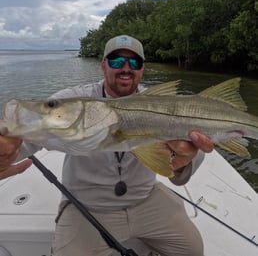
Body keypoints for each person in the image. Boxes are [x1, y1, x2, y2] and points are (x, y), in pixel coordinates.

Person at [0, 35, 214, 256]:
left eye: (134, 62)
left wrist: (182, 162)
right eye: (116, 61)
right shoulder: (73, 99)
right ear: (103, 65)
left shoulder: (163, 104)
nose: (125, 68)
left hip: (146, 198)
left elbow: (184, 168)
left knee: (192, 250)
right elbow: (26, 138)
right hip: (87, 206)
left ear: (142, 69)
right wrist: (6, 148)